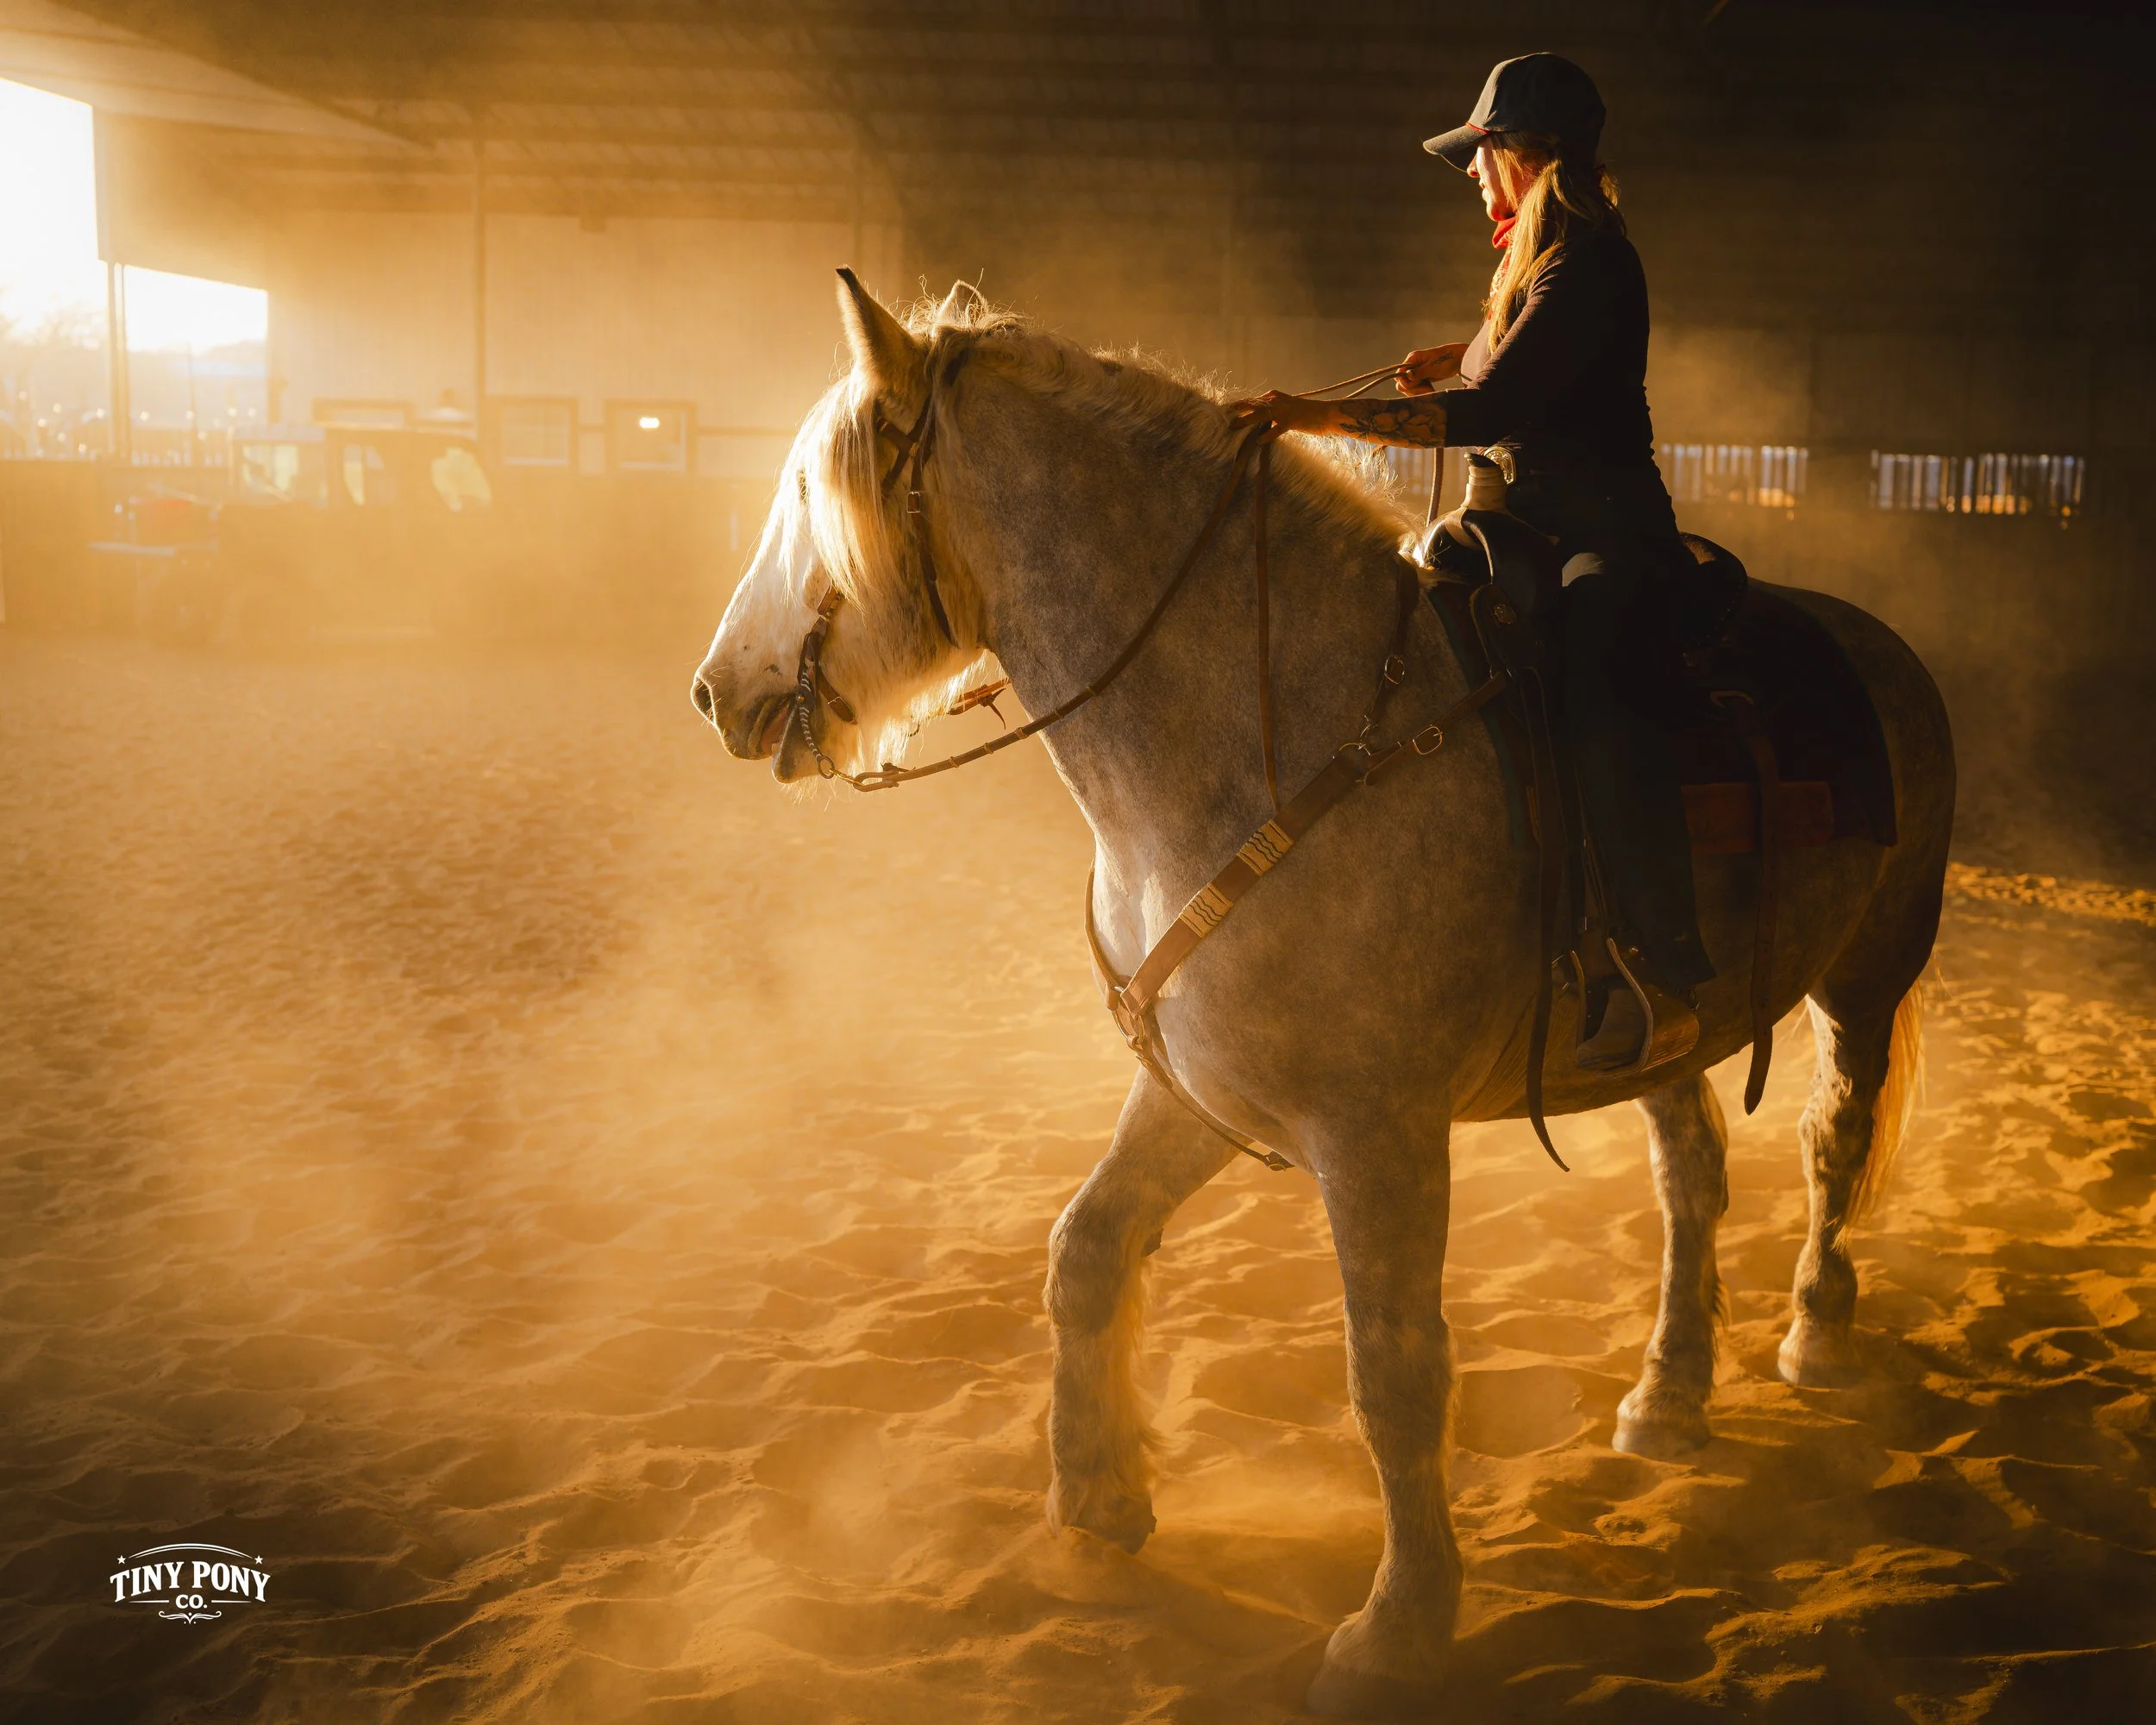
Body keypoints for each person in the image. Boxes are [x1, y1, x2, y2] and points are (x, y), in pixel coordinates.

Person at [1232, 51, 1712, 1070]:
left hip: (1606, 533)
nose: (1470, 174)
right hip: (1528, 522)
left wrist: (1312, 415)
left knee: (1592, 687)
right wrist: (1463, 348)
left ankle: (1661, 967)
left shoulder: (1590, 261)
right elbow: (1517, 360)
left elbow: (1495, 411)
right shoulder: (1535, 266)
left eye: (1479, 152)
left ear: (1520, 152)